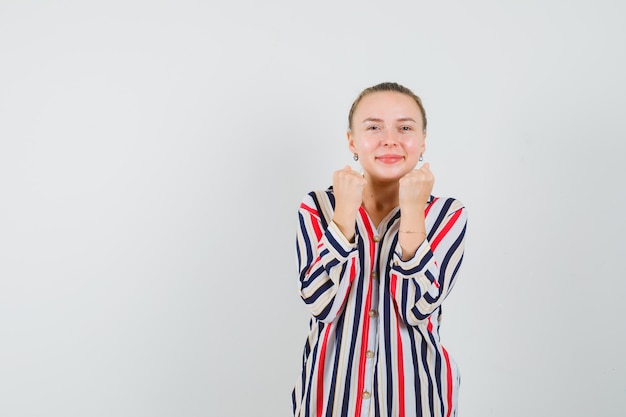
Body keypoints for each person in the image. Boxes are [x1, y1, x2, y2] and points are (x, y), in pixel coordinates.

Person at [292, 82, 467, 417]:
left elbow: (416, 309)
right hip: (329, 398)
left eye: (405, 128)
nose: (390, 140)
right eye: (374, 127)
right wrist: (344, 214)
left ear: (423, 141)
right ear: (352, 141)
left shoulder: (448, 214)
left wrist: (414, 211)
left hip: (416, 399)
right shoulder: (316, 207)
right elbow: (321, 304)